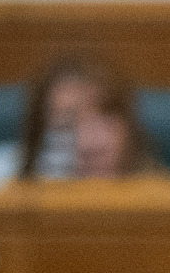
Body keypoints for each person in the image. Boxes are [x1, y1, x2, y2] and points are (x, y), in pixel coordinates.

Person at [18, 52, 158, 181]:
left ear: (131, 131)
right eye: (66, 125)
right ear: (38, 138)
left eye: (105, 122)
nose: (91, 145)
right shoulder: (3, 201)